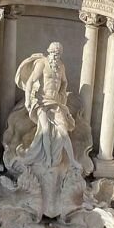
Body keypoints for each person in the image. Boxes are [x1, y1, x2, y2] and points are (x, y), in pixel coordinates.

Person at [17, 42, 80, 170]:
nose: (55, 56)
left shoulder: (61, 66)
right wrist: (27, 100)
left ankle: (73, 161)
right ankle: (48, 159)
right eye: (53, 53)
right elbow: (30, 81)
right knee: (44, 130)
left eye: (58, 54)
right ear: (49, 52)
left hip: (55, 103)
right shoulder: (42, 63)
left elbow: (64, 82)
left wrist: (62, 95)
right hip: (42, 101)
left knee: (64, 131)